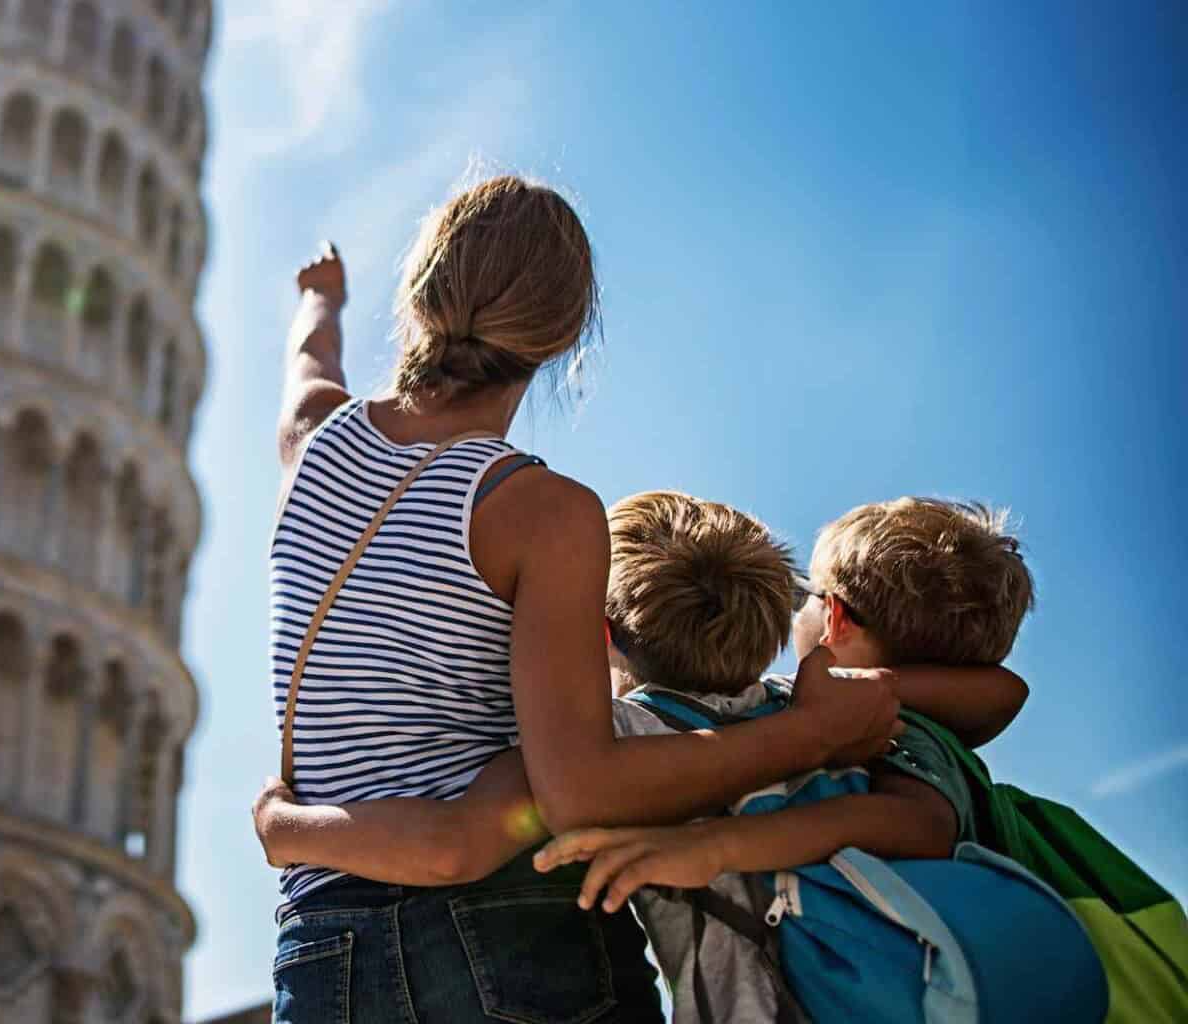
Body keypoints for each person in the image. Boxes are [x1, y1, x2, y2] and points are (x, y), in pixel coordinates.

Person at [265, 174, 902, 1024]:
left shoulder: (311, 448)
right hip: (504, 936)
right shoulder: (540, 511)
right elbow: (578, 788)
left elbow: (310, 364)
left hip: (316, 949)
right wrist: (813, 733)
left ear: (420, 292)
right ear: (562, 337)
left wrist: (321, 299)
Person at [532, 497, 1036, 1021]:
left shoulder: (619, 737)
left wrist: (714, 845)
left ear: (602, 634)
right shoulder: (815, 707)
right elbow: (1002, 692)